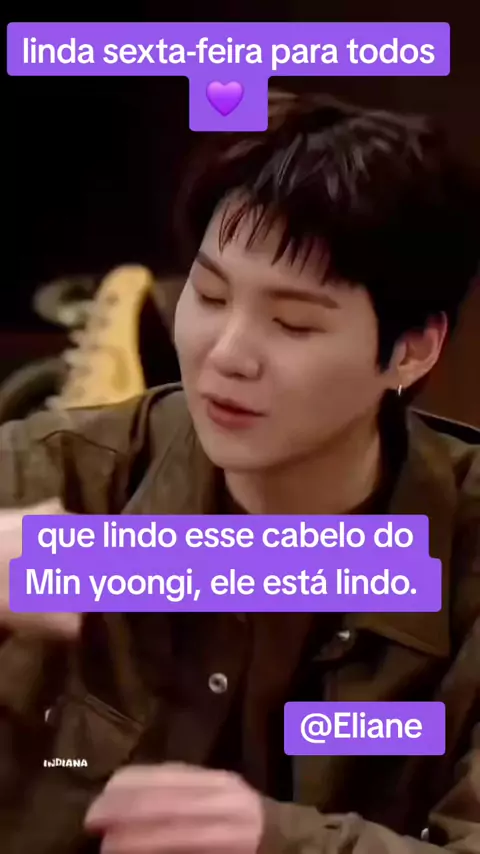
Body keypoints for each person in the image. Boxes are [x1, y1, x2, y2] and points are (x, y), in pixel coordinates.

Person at [0, 92, 479, 854]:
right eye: (211, 295)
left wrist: (278, 842)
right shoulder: (57, 473)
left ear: (412, 351)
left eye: (293, 323)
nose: (225, 354)